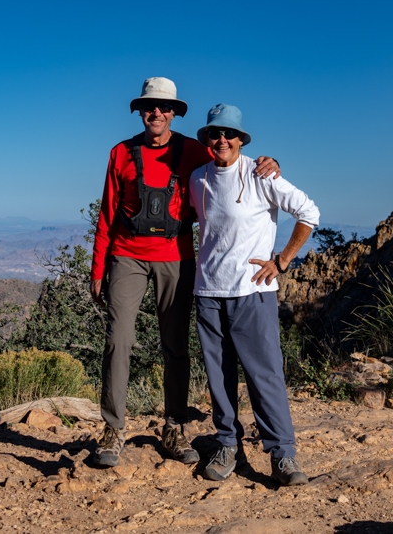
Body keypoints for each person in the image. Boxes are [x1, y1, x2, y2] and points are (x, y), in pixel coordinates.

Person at [90, 78, 280, 468]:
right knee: (118, 340)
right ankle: (113, 429)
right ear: (140, 111)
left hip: (176, 257)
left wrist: (271, 163)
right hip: (127, 255)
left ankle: (173, 426)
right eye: (149, 106)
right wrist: (98, 268)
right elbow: (107, 213)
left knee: (175, 344)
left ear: (174, 112)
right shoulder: (120, 153)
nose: (156, 113)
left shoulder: (194, 151)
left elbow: (231, 165)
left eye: (164, 107)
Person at [188, 103, 319, 486]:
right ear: (207, 139)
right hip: (208, 290)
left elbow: (308, 213)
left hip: (252, 291)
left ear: (242, 139)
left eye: (230, 134)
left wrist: (282, 260)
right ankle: (228, 443)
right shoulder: (198, 177)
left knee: (265, 374)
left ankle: (283, 455)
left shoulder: (262, 175)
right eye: (215, 133)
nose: (222, 139)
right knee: (219, 375)